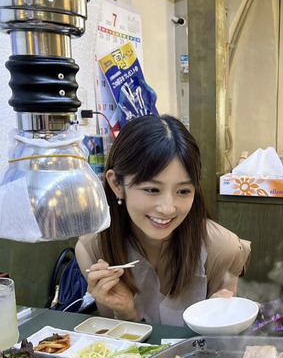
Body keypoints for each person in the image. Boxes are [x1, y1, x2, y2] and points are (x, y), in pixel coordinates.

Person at [76, 115, 251, 326]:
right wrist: (126, 313)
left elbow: (224, 344)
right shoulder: (94, 250)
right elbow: (112, 344)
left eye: (183, 191)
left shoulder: (223, 249)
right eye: (152, 189)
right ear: (117, 185)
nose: (168, 208)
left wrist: (217, 326)